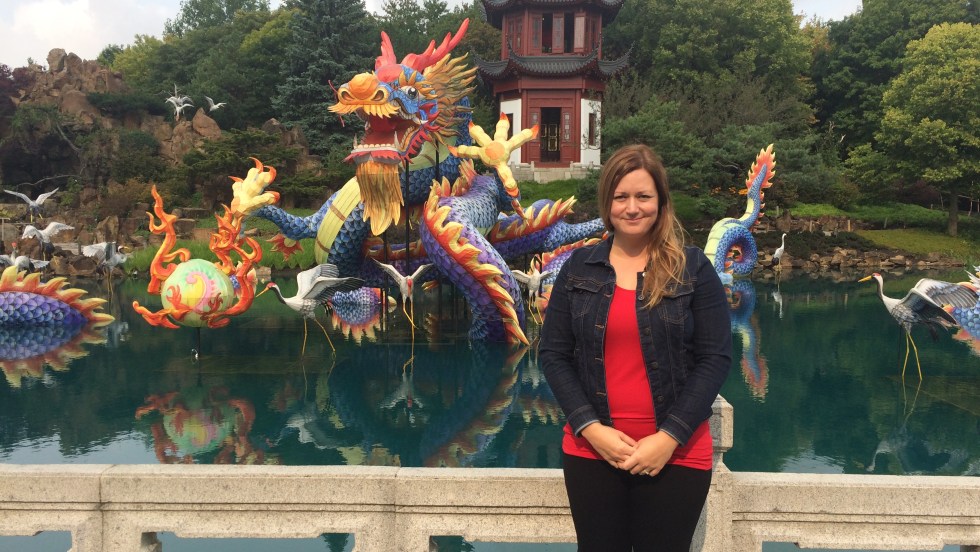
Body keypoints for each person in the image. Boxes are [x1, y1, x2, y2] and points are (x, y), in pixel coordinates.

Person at [539, 144, 732, 551]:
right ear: (607, 202)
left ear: (661, 202)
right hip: (593, 450)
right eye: (620, 196)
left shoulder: (692, 268)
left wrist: (669, 437)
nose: (632, 208)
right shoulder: (578, 268)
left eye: (643, 196)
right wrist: (591, 429)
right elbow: (554, 356)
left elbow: (714, 359)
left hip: (675, 452)